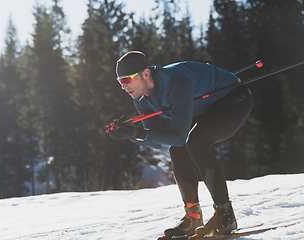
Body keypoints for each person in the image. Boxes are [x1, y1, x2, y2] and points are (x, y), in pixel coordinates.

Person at [106, 51, 253, 239]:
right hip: (204, 107)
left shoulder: (175, 83)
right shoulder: (141, 99)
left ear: (145, 74)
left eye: (127, 80)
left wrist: (138, 133)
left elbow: (178, 136)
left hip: (233, 98)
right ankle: (193, 218)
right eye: (120, 81)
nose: (124, 86)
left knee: (196, 143)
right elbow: (154, 141)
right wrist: (129, 134)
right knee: (177, 150)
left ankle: (226, 216)